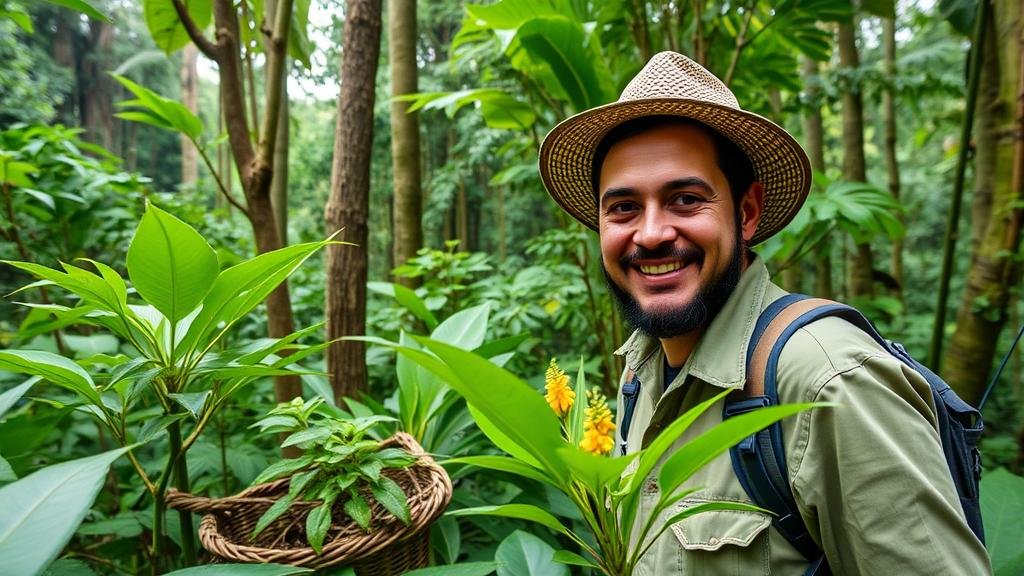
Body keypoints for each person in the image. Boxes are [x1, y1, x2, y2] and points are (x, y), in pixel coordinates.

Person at [538, 51, 990, 575]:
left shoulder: (828, 382)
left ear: (746, 213)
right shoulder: (639, 374)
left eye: (685, 199)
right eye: (623, 208)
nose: (652, 233)